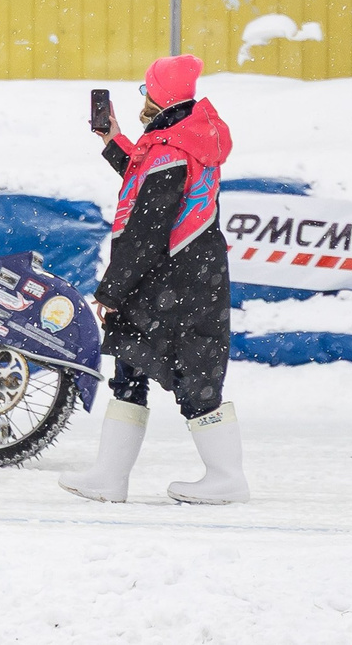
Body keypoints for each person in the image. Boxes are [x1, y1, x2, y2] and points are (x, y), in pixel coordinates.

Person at [61, 54, 244, 505]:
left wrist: (112, 289)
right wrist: (112, 140)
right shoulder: (181, 140)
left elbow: (147, 228)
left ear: (159, 96)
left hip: (175, 284)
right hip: (177, 279)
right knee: (130, 369)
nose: (143, 98)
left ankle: (226, 478)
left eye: (146, 90)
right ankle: (109, 478)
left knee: (194, 378)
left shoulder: (169, 152)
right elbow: (144, 180)